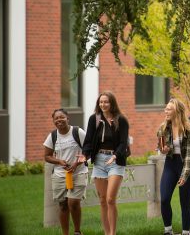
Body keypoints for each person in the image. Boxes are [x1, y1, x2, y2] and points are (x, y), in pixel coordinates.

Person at [78, 91, 129, 235]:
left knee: (110, 199)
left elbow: (123, 143)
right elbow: (88, 140)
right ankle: (107, 233)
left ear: (112, 103)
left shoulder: (121, 120)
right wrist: (85, 155)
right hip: (99, 161)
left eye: (106, 102)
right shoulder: (94, 119)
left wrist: (115, 156)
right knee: (102, 200)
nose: (103, 104)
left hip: (115, 161)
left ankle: (113, 233)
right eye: (101, 102)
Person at [43, 108, 88, 235]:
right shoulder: (53, 136)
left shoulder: (77, 132)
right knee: (63, 205)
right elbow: (47, 156)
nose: (59, 120)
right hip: (60, 175)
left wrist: (76, 163)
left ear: (68, 118)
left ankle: (77, 232)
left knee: (73, 202)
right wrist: (59, 161)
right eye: (56, 118)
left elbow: (88, 150)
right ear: (53, 121)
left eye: (61, 117)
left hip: (78, 172)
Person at [158, 98, 190, 235]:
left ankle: (185, 232)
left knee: (184, 201)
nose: (166, 111)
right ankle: (168, 230)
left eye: (169, 109)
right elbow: (161, 147)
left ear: (177, 111)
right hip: (170, 165)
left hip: (187, 165)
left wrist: (184, 175)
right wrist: (163, 150)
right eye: (166, 108)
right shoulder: (163, 127)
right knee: (164, 199)